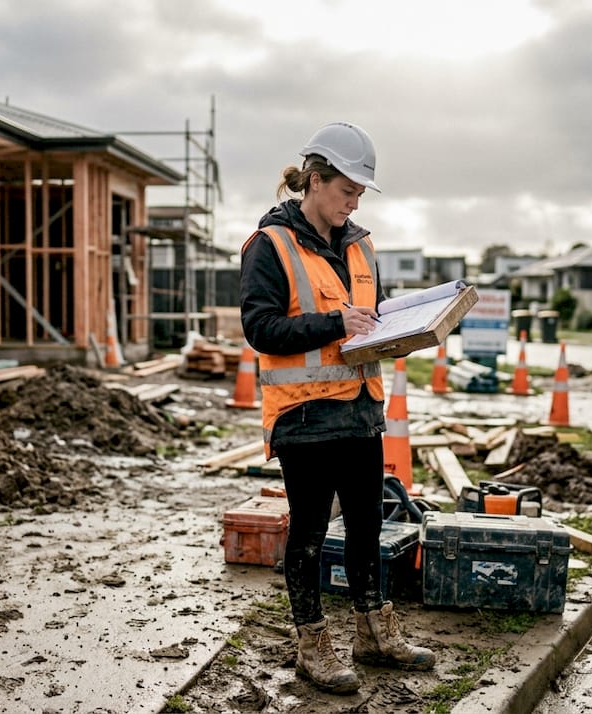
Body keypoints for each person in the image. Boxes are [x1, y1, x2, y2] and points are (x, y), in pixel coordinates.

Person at [239, 121, 436, 694]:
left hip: (361, 409)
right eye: (347, 190)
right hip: (303, 415)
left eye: (360, 193)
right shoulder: (271, 245)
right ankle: (312, 645)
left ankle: (373, 633)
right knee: (307, 532)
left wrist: (401, 331)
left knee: (367, 525)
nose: (354, 202)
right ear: (315, 181)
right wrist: (334, 322)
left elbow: (371, 317)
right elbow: (260, 329)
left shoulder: (361, 246)